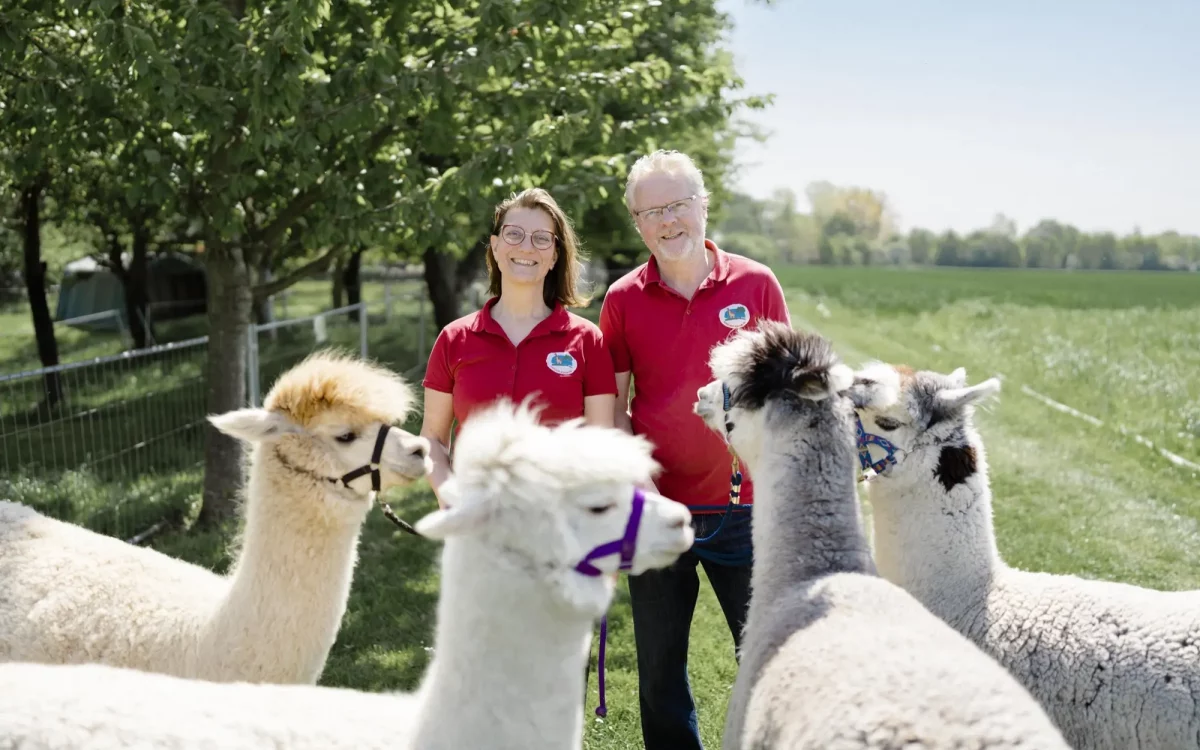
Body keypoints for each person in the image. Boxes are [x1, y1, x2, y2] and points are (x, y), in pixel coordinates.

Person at [598, 150, 791, 750]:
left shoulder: (756, 283)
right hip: (657, 510)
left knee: (770, 661)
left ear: (703, 206)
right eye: (651, 211)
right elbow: (613, 410)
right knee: (659, 672)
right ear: (637, 223)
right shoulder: (622, 300)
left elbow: (785, 396)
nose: (667, 221)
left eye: (677, 204)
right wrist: (644, 491)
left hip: (748, 510)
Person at [420, 188, 617, 507]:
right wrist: (449, 496)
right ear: (495, 247)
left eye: (541, 238)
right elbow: (432, 438)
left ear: (554, 256)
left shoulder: (587, 340)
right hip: (476, 521)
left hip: (559, 525)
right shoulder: (453, 338)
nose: (526, 246)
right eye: (514, 234)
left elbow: (600, 444)